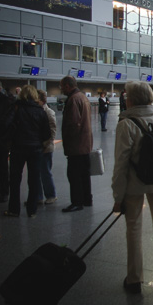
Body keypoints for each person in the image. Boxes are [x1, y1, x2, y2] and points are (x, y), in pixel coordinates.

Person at [112, 80, 153, 295]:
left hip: (135, 185)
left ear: (131, 100)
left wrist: (118, 197)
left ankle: (134, 279)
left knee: (133, 228)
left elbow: (121, 164)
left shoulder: (126, 124)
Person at [3, 86, 51, 218]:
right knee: (34, 179)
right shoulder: (40, 111)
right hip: (35, 149)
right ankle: (32, 210)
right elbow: (47, 133)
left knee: (15, 179)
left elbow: (5, 124)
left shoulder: (16, 108)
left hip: (18, 147)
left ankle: (14, 209)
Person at [60, 76, 93, 213]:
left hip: (77, 144)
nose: (61, 89)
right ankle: (86, 198)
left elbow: (73, 123)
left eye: (62, 86)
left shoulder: (73, 99)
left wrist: (68, 139)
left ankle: (77, 201)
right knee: (85, 174)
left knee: (74, 174)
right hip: (85, 143)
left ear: (67, 86)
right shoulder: (83, 97)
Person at [36, 89, 57, 205]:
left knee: (45, 172)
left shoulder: (49, 112)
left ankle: (51, 195)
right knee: (36, 173)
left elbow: (52, 131)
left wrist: (46, 144)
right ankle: (38, 196)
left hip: (46, 148)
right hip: (37, 146)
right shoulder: (36, 111)